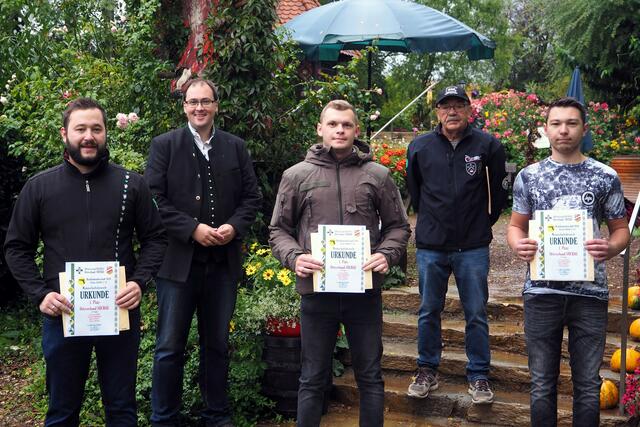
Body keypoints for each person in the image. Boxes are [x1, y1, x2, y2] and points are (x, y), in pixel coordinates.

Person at [4, 98, 167, 426]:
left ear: (106, 133)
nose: (88, 136)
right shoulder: (39, 187)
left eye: (96, 128)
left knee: (121, 410)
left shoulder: (131, 184)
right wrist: (40, 294)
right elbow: (16, 248)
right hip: (62, 314)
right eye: (81, 129)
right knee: (62, 411)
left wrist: (139, 282)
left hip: (119, 314)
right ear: (65, 134)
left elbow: (157, 239)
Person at [269, 99, 411, 426]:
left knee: (370, 376)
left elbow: (399, 227)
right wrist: (295, 257)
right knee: (312, 378)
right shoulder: (297, 176)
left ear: (356, 130)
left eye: (346, 125)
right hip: (317, 292)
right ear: (320, 129)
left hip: (363, 292)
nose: (339, 130)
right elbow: (278, 230)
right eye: (333, 124)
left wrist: (385, 253)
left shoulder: (377, 175)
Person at [145, 78, 262, 427]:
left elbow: (252, 198)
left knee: (218, 345)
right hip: (178, 265)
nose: (199, 107)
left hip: (222, 266)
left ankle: (217, 415)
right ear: (184, 106)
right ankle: (164, 418)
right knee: (169, 347)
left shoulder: (236, 147)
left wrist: (234, 227)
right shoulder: (164, 146)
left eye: (206, 101)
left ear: (216, 106)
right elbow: (154, 199)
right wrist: (191, 228)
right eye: (193, 101)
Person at [507, 97, 629, 427]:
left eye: (572, 123)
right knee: (542, 385)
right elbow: (516, 225)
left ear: (584, 129)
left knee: (588, 387)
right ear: (546, 129)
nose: (564, 130)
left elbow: (621, 230)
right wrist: (520, 245)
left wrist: (610, 247)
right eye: (557, 123)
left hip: (590, 296)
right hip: (541, 293)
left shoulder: (605, 176)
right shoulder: (529, 177)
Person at [406, 85, 508, 404]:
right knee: (428, 310)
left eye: (459, 105)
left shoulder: (488, 145)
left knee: (476, 311)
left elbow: (500, 195)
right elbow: (416, 192)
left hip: (473, 246)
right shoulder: (419, 147)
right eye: (445, 105)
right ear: (437, 111)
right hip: (431, 246)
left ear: (469, 109)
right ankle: (427, 370)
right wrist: (434, 223)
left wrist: (480, 224)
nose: (452, 111)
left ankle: (478, 375)